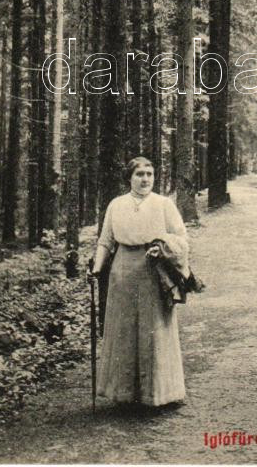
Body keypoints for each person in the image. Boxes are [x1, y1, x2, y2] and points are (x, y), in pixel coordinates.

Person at [91, 156, 188, 407]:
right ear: (129, 178)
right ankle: (123, 393)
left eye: (149, 174)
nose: (145, 179)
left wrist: (162, 247)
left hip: (153, 271)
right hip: (122, 270)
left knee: (154, 328)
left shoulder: (164, 204)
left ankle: (158, 394)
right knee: (123, 329)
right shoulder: (116, 205)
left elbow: (181, 237)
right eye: (139, 174)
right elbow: (105, 241)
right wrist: (96, 268)